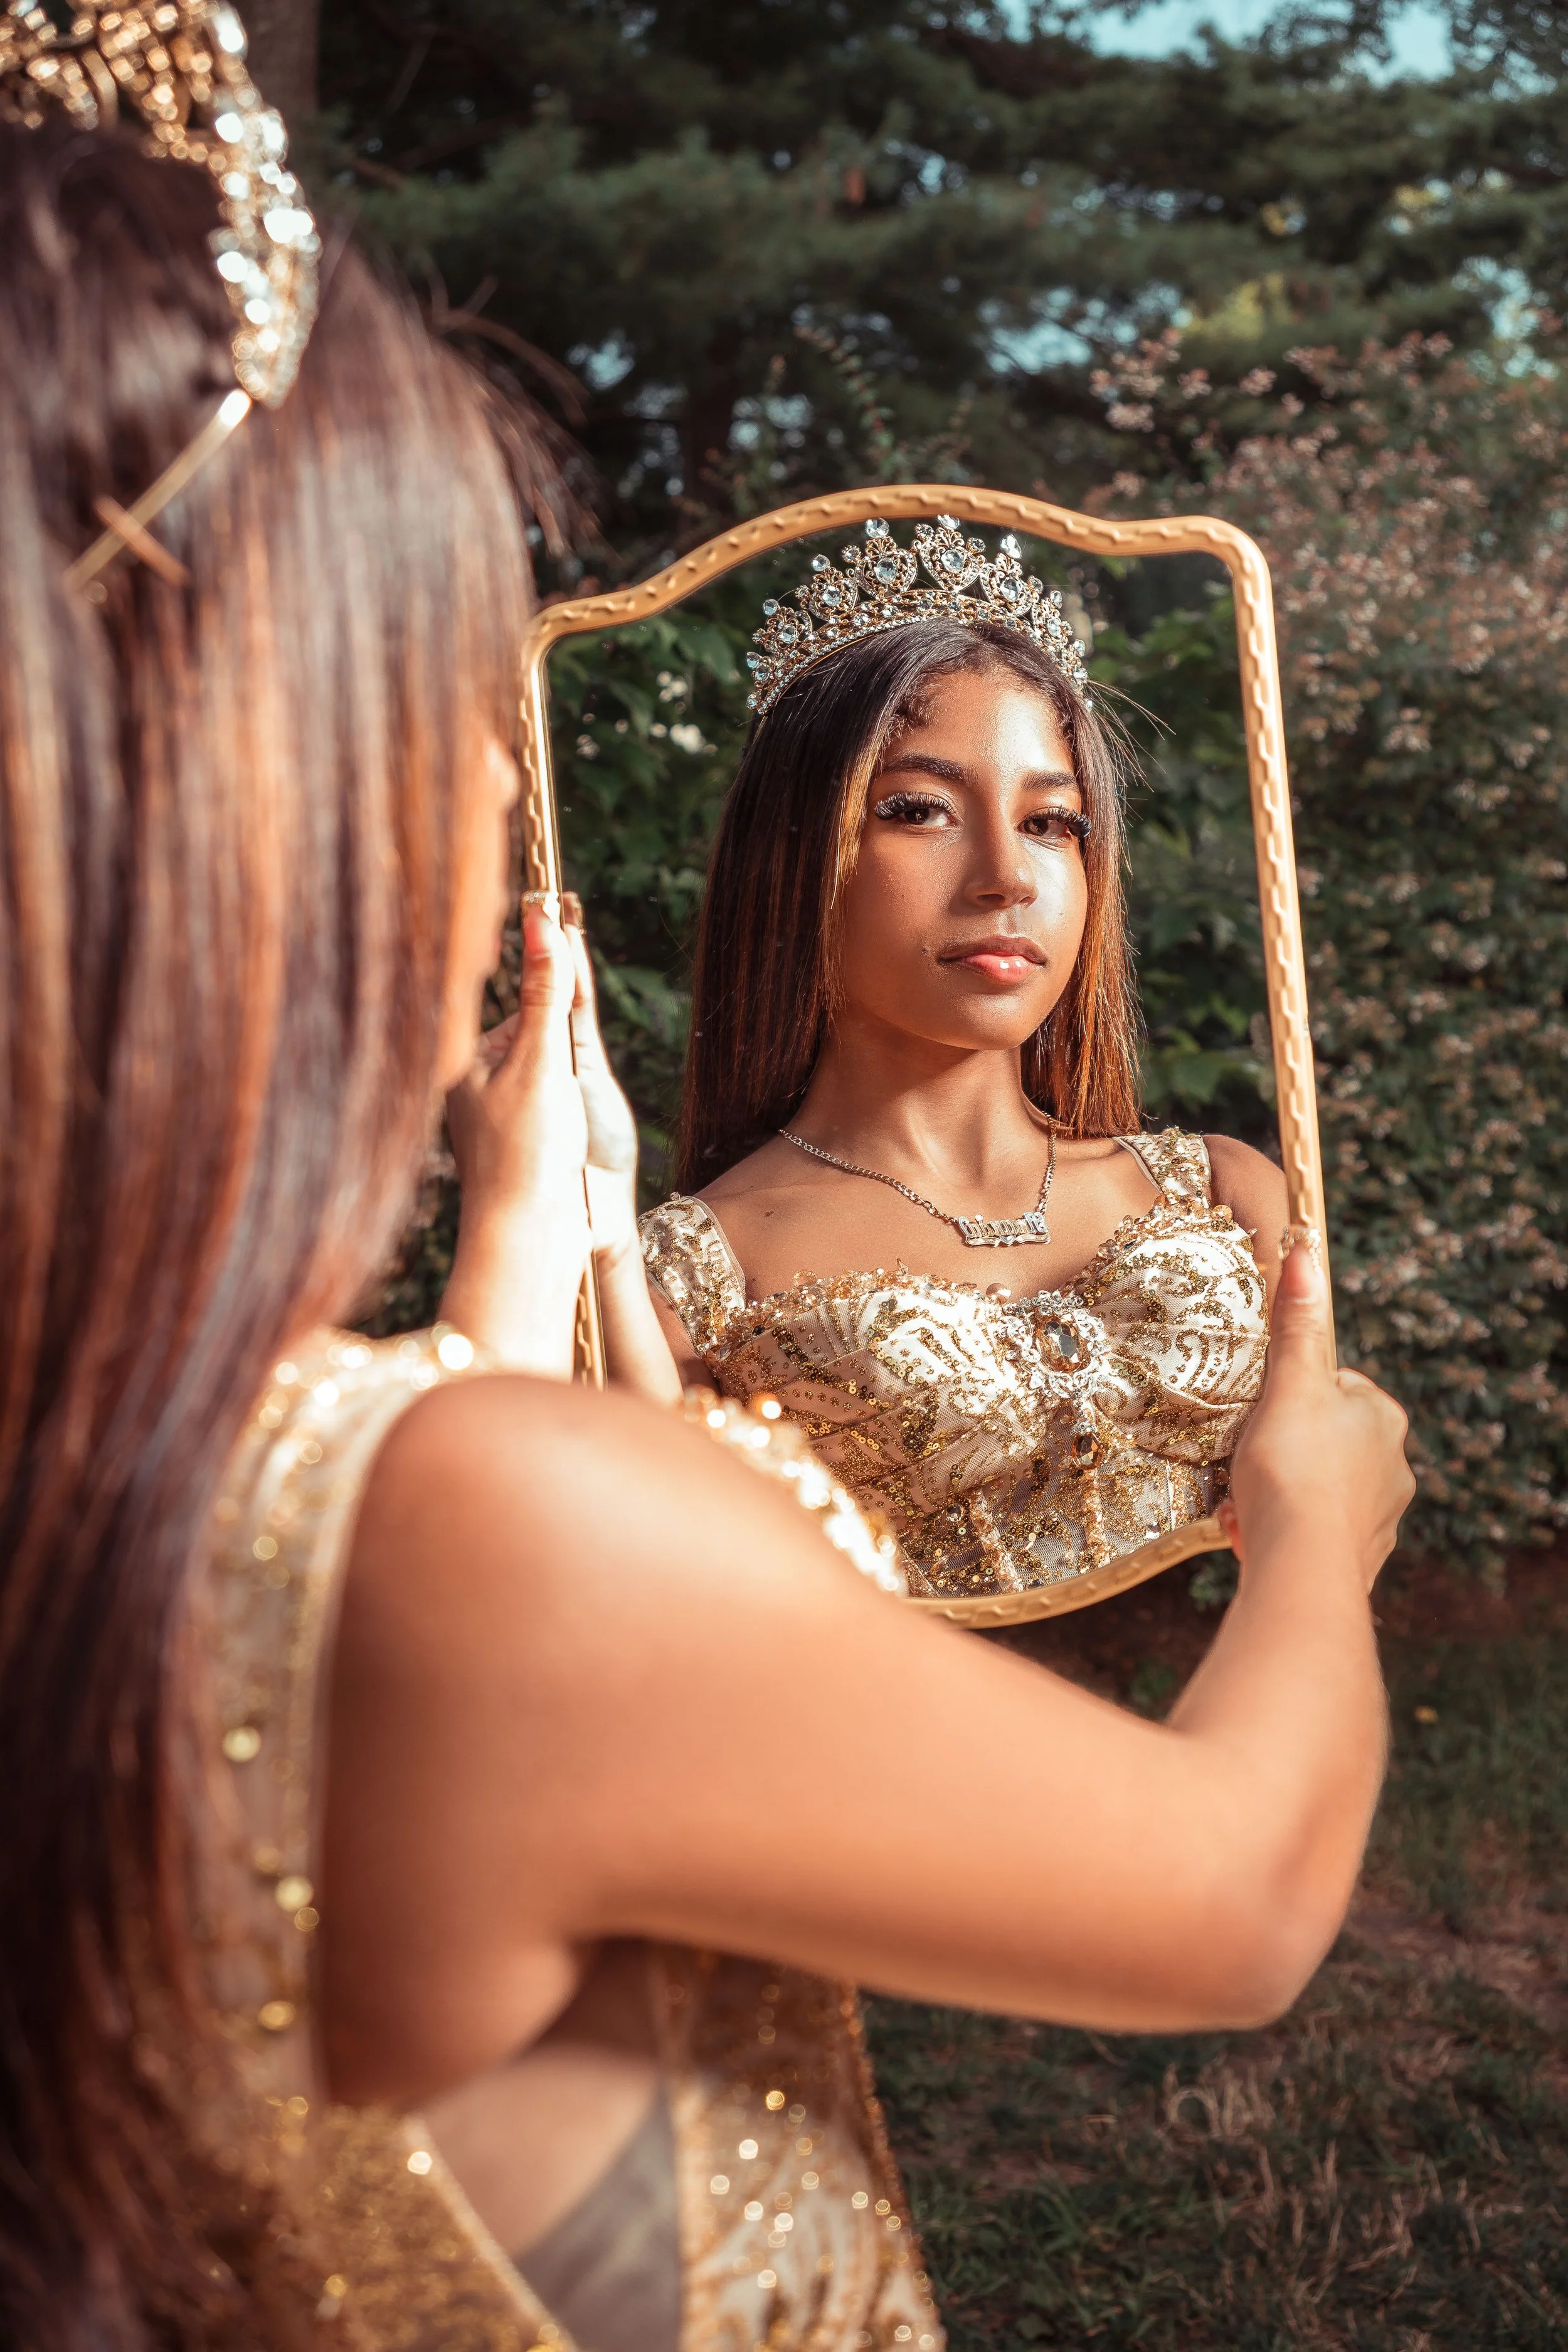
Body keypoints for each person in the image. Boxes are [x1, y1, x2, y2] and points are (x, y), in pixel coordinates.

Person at [0, 23, 1412, 2351]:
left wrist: (508, 1268)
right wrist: (1324, 1524)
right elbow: (1237, 1894)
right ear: (287, 778)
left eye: (1055, 814)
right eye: (444, 681)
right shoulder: (468, 1526)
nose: (487, 793)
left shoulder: (174, 1484)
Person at [628, 527, 1283, 1606]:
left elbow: (1337, 1531)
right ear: (800, 857)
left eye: (1051, 821)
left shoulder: (1229, 1190)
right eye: (919, 809)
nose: (1005, 877)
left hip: (1252, 1751)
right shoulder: (688, 1277)